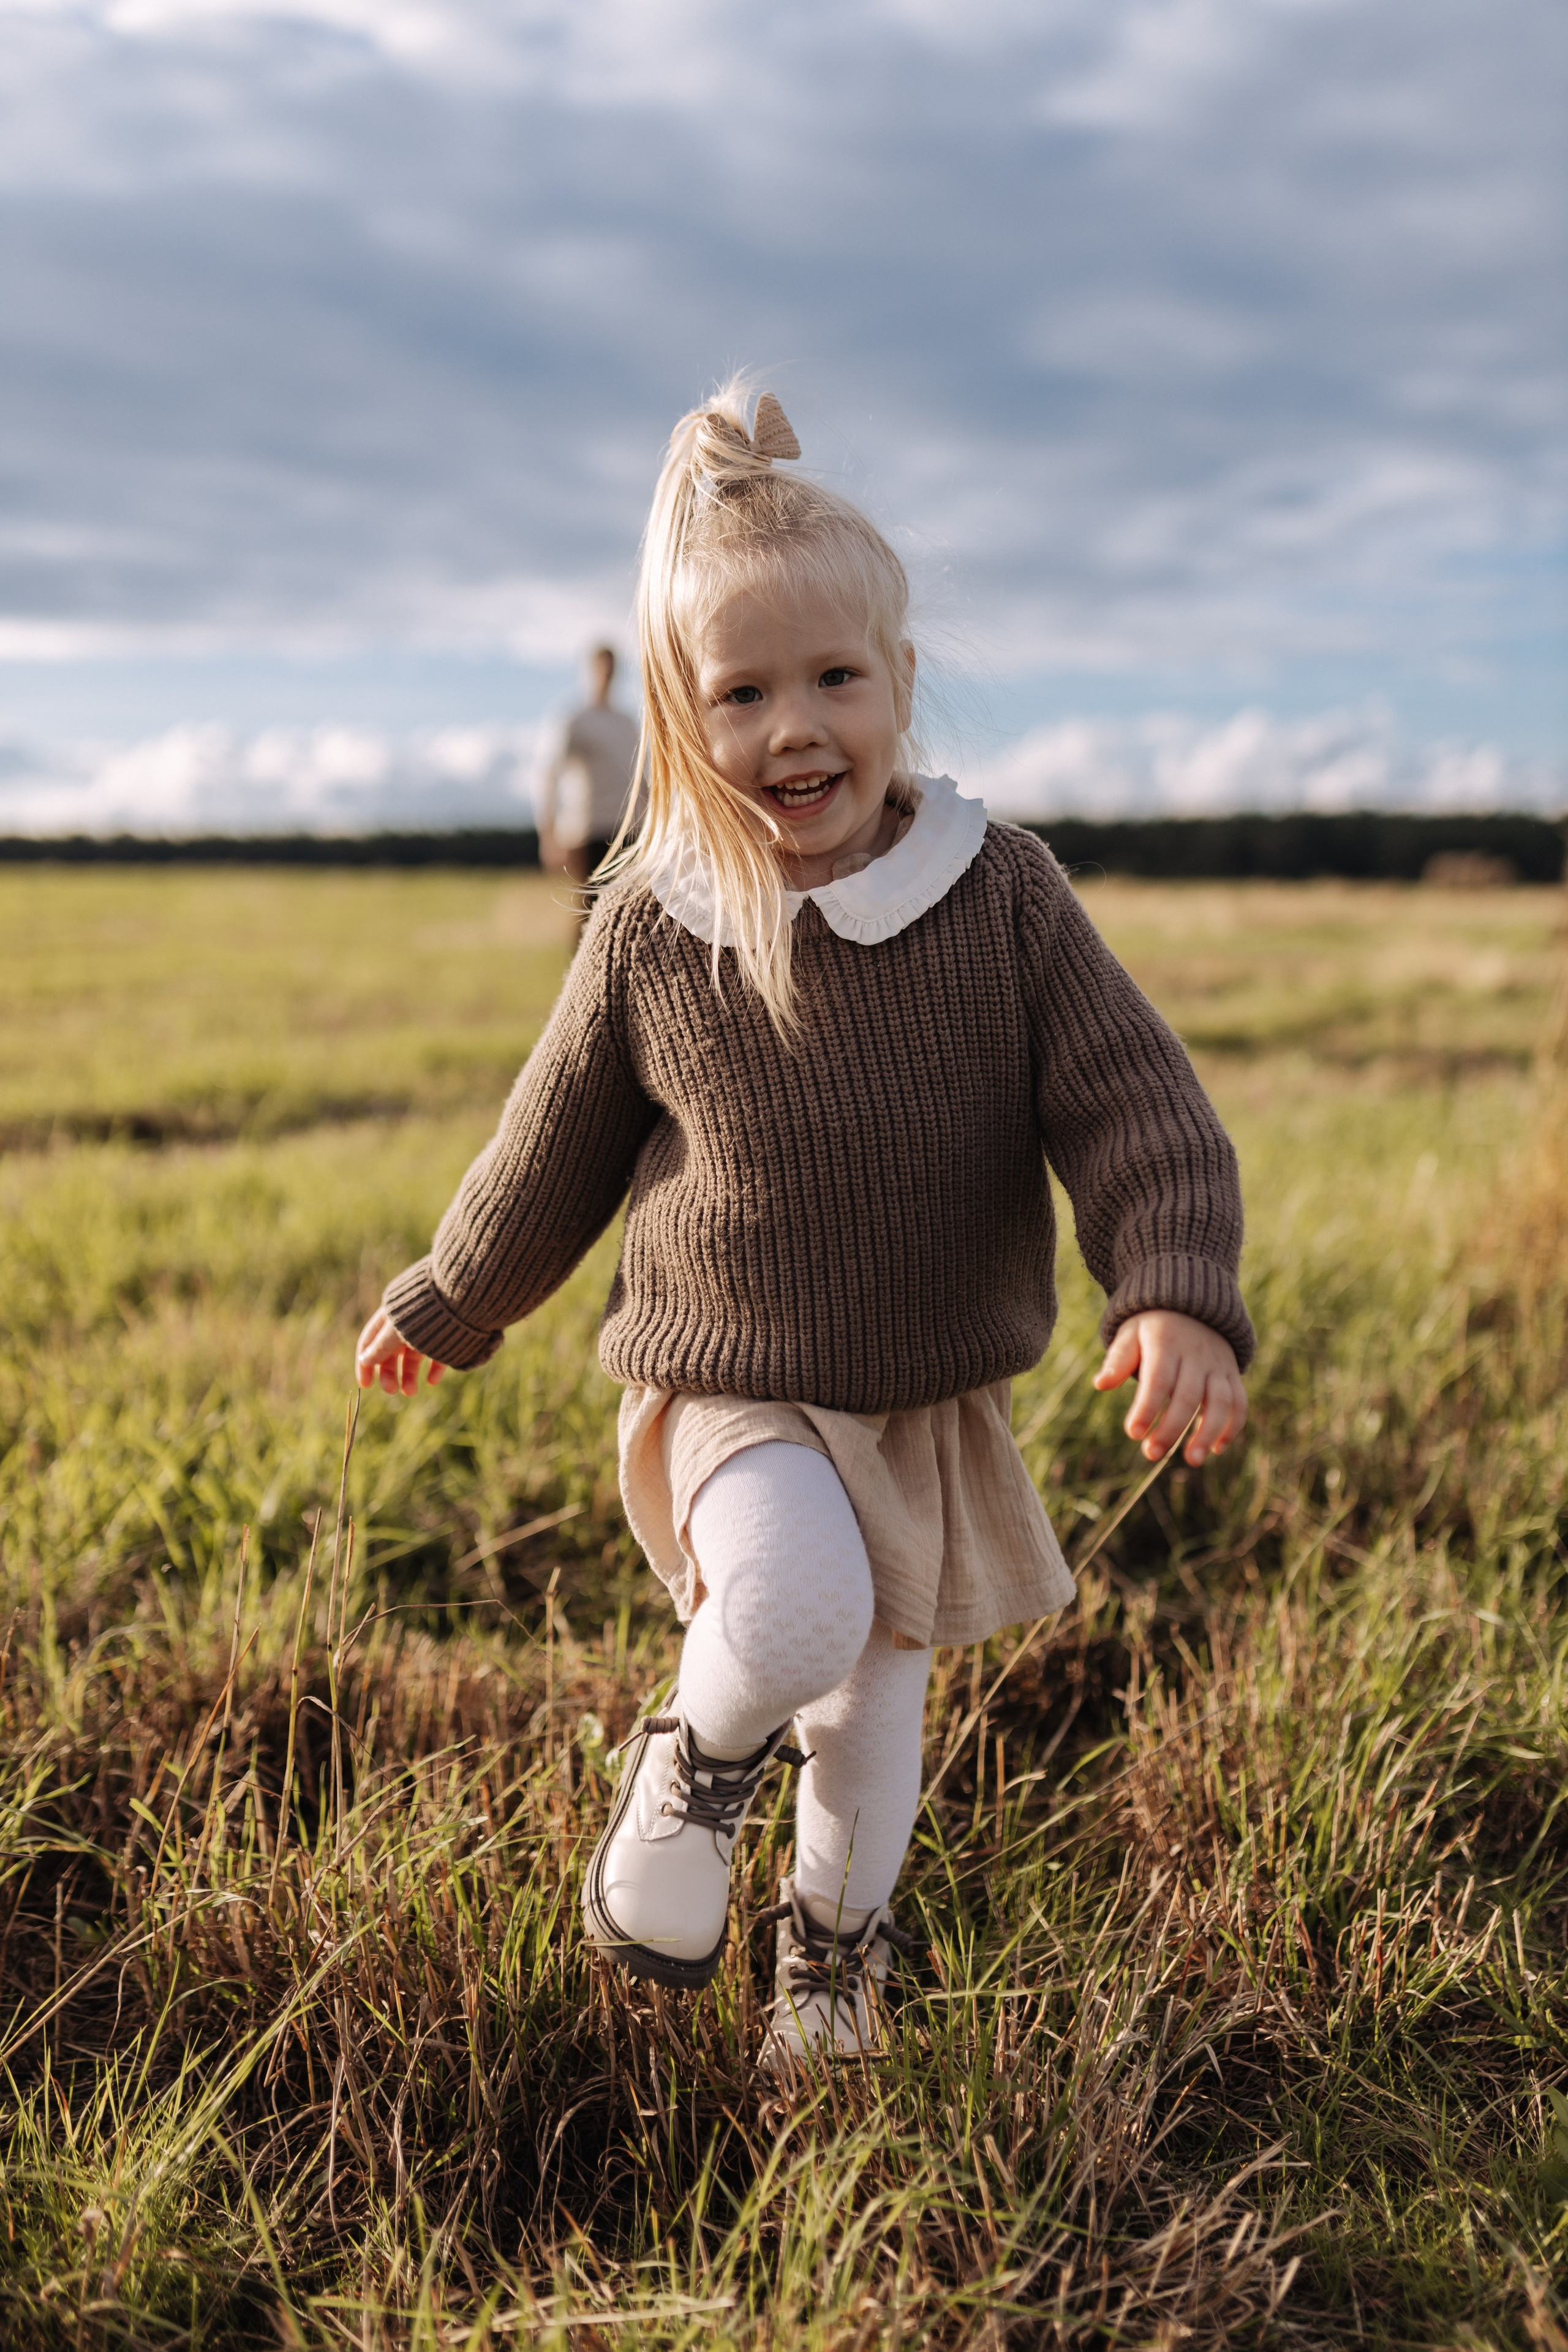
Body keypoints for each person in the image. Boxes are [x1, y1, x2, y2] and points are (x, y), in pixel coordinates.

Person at [354, 383, 1253, 2078]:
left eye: (834, 679)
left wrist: (1178, 1289)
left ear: (898, 687)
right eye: (744, 694)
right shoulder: (656, 923)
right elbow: (548, 1147)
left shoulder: (1002, 896)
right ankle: (687, 1775)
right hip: (734, 1379)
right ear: (686, 729)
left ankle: (826, 1989)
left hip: (922, 1396)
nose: (795, 728)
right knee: (790, 1615)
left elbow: (1139, 1108)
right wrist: (452, 1297)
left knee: (870, 1730)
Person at [535, 644, 641, 917]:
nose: (606, 674)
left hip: (625, 831)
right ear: (589, 670)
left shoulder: (627, 723)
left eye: (611, 667)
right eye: (601, 667)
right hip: (586, 832)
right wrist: (549, 836)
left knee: (623, 915)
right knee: (587, 915)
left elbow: (641, 778)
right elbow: (550, 776)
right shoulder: (574, 720)